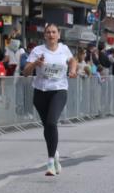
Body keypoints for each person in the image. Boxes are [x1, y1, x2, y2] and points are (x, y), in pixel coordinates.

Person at [22, 23, 78, 176]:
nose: (51, 35)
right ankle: (55, 153)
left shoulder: (64, 49)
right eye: (48, 32)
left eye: (54, 32)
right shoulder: (37, 51)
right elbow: (25, 72)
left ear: (59, 35)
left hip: (59, 90)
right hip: (40, 92)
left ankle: (50, 162)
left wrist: (72, 70)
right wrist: (35, 63)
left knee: (52, 122)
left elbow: (73, 60)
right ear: (44, 35)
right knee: (47, 126)